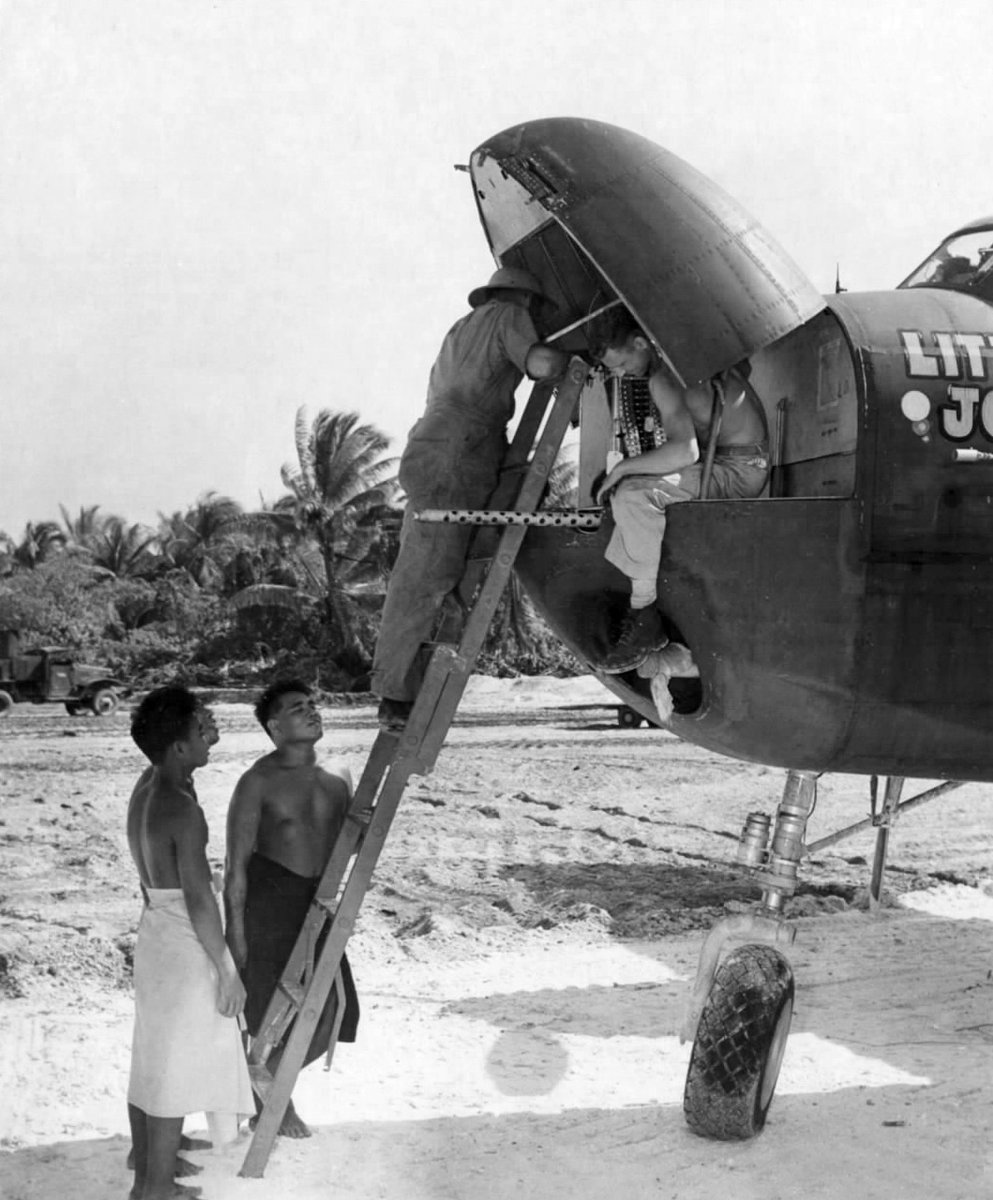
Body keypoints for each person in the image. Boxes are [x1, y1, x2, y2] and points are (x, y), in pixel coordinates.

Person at [370, 266, 570, 729]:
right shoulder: (506, 315)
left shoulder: (461, 328)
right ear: (525, 297)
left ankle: (400, 690)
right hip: (458, 445)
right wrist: (567, 357)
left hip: (453, 442)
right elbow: (540, 364)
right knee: (425, 576)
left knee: (433, 571)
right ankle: (397, 695)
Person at [591, 308, 770, 673]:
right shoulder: (683, 359)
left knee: (632, 494)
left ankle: (644, 616)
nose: (622, 374)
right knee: (628, 490)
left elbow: (684, 451)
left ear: (641, 343)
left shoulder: (669, 377)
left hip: (737, 471)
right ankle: (643, 607)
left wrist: (623, 469)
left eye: (622, 362)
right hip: (731, 463)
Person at [126, 686, 253, 1200]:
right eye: (202, 727)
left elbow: (159, 879)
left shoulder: (148, 786)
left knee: (152, 1052)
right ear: (178, 747)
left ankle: (148, 1156)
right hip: (182, 935)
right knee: (176, 1062)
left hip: (156, 924)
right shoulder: (181, 807)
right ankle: (154, 1189)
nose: (212, 732)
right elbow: (201, 902)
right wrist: (226, 969)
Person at [224, 679, 360, 1139]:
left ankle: (262, 1088)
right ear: (274, 726)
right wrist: (235, 933)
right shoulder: (256, 782)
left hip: (317, 905)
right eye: (298, 708)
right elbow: (235, 867)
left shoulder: (338, 776)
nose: (312, 712)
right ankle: (274, 1104)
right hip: (270, 900)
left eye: (313, 705)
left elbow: (351, 845)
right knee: (268, 1011)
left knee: (332, 1013)